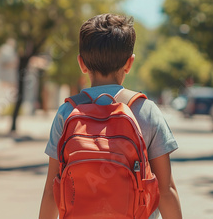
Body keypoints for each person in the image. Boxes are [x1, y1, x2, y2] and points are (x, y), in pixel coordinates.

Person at [39, 14, 182, 219]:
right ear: (129, 63)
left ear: (82, 63)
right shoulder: (146, 110)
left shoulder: (67, 113)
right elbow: (166, 190)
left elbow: (51, 191)